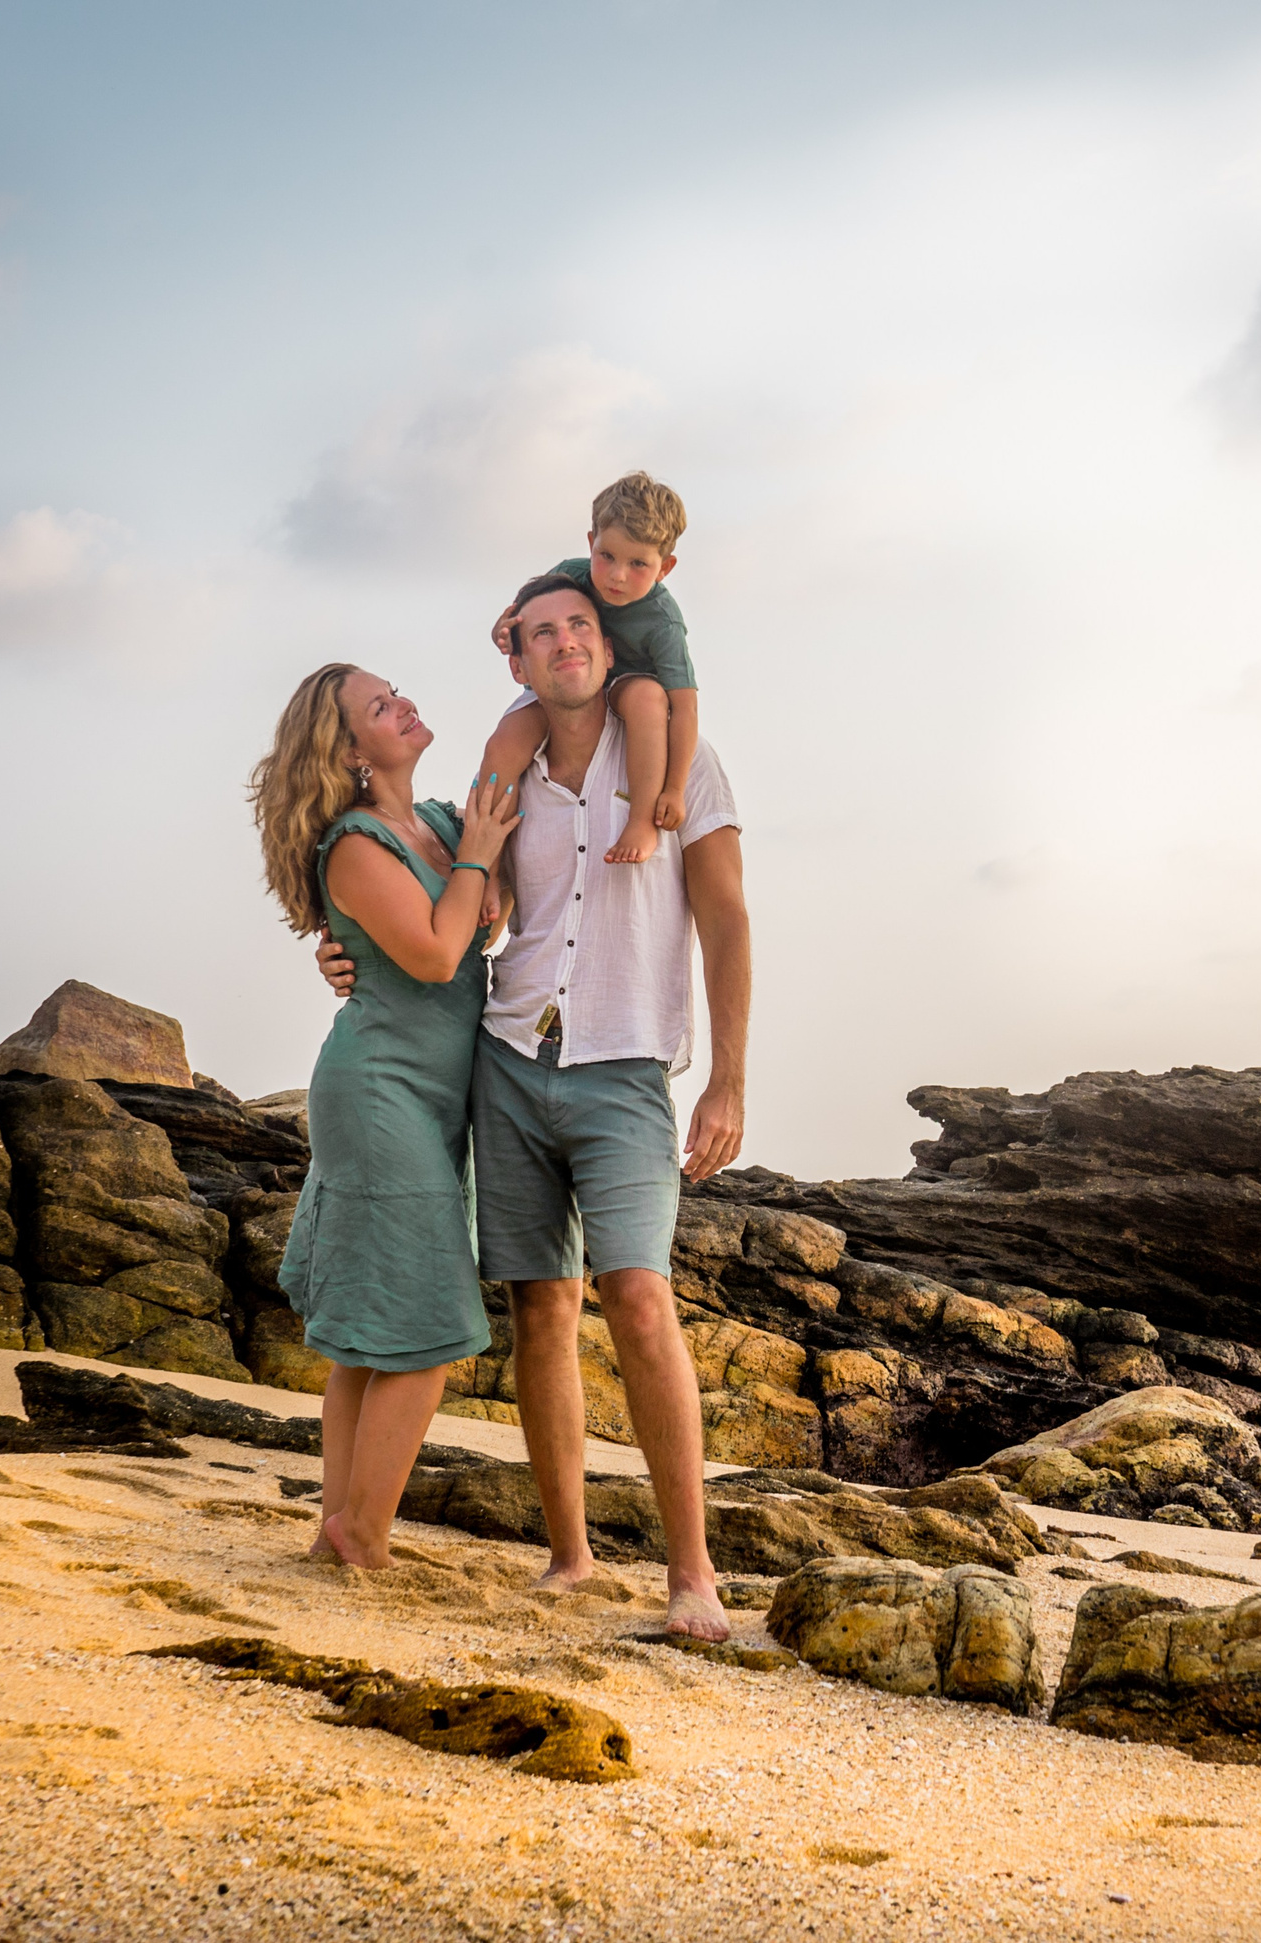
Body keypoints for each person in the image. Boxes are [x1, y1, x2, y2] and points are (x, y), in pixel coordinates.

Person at [320, 576, 752, 1639]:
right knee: (540, 1307)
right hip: (508, 1059)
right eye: (542, 631)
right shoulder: (496, 779)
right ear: (516, 657)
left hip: (626, 1066)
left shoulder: (682, 764)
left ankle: (691, 1573)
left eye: (581, 625)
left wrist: (729, 1076)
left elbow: (727, 917)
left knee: (641, 1297)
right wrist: (344, 954)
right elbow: (443, 895)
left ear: (610, 644)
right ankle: (570, 1555)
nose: (565, 642)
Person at [252, 662, 520, 1569]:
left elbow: (491, 903)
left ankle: (337, 1534)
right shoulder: (357, 845)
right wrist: (479, 860)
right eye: (380, 706)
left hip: (439, 1101)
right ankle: (363, 1536)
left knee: (369, 1340)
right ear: (350, 750)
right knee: (423, 1325)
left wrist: (480, 861)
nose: (404, 703)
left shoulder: (443, 822)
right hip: (378, 1093)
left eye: (395, 689)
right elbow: (443, 955)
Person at [481, 471, 698, 867]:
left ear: (665, 568)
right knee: (507, 738)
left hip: (620, 686)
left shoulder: (662, 621)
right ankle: (486, 866)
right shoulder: (572, 573)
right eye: (607, 556)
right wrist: (502, 629)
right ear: (590, 542)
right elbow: (524, 614)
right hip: (564, 685)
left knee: (648, 697)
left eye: (638, 564)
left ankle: (640, 821)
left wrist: (675, 788)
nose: (617, 575)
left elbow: (684, 707)